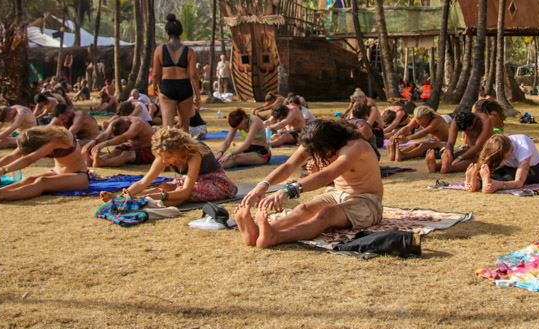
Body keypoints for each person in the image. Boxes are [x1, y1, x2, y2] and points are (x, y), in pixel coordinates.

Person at [234, 119, 383, 249]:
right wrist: (263, 185)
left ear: (332, 144)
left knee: (326, 214)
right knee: (305, 207)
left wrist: (287, 190)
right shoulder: (317, 141)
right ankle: (260, 232)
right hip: (337, 194)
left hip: (367, 201)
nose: (317, 159)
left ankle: (276, 237)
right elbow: (289, 166)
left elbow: (326, 176)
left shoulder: (354, 147)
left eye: (320, 155)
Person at [118, 127, 237, 205]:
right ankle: (134, 201)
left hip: (216, 183)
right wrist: (125, 194)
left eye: (168, 158)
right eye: (162, 157)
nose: (164, 161)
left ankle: (142, 201)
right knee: (166, 186)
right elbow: (143, 182)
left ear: (178, 151)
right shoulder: (165, 154)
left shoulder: (194, 154)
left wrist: (155, 196)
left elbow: (186, 191)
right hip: (193, 182)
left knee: (179, 192)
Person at [0, 126, 90, 203]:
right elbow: (13, 156)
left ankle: (1, 195)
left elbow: (29, 159)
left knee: (42, 182)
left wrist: (2, 171)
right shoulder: (38, 138)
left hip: (78, 176)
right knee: (29, 179)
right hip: (57, 172)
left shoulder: (57, 138)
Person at [151, 13, 200, 132]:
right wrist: (198, 96)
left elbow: (156, 73)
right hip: (184, 87)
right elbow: (193, 75)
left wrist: (154, 86)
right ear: (180, 33)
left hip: (167, 86)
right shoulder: (189, 51)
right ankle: (185, 149)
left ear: (167, 32)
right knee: (184, 127)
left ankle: (165, 149)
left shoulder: (159, 50)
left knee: (167, 126)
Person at [465, 133, 539, 192]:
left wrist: (499, 185)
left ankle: (490, 185)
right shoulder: (498, 145)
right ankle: (477, 184)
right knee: (497, 173)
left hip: (536, 169)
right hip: (510, 167)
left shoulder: (523, 147)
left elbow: (519, 182)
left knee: (510, 175)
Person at [427, 107, 490, 174]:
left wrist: (460, 158)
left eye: (468, 130)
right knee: (456, 155)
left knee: (475, 159)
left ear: (474, 121)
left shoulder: (485, 121)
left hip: (484, 150)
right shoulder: (456, 121)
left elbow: (478, 146)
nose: (466, 132)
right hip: (469, 148)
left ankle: (449, 168)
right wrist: (449, 154)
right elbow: (450, 143)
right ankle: (436, 167)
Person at [86, 115, 154, 167]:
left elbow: (123, 138)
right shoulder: (117, 122)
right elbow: (105, 134)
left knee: (127, 154)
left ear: (127, 127)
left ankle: (102, 163)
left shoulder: (137, 124)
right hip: (133, 147)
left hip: (148, 149)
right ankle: (96, 160)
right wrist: (93, 142)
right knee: (116, 152)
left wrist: (104, 144)